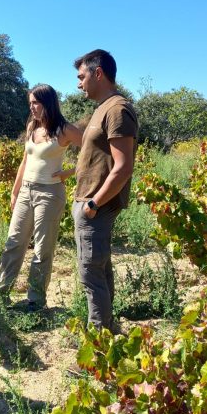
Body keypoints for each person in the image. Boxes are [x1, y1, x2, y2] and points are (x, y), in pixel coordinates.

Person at [0, 84, 82, 312]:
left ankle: (36, 300)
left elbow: (94, 150)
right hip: (26, 191)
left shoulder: (63, 129)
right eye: (30, 103)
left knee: (42, 249)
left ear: (48, 103)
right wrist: (15, 192)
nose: (32, 107)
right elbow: (25, 161)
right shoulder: (32, 126)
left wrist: (69, 172)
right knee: (14, 243)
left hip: (50, 193)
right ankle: (0, 294)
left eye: (36, 103)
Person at [73, 50, 138, 330]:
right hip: (90, 202)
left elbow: (123, 167)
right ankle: (109, 331)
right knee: (99, 269)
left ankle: (98, 344)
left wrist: (94, 204)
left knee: (90, 273)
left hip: (96, 205)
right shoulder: (103, 107)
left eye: (82, 76)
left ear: (98, 73)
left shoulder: (117, 110)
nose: (79, 83)